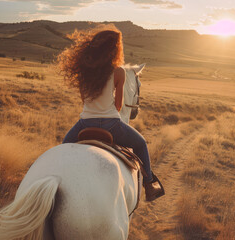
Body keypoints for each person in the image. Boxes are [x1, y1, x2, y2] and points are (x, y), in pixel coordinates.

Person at [57, 26, 164, 201]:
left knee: (64, 146)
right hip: (111, 125)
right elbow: (119, 106)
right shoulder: (119, 72)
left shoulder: (84, 72)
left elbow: (84, 101)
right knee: (141, 143)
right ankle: (150, 184)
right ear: (114, 50)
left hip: (84, 124)